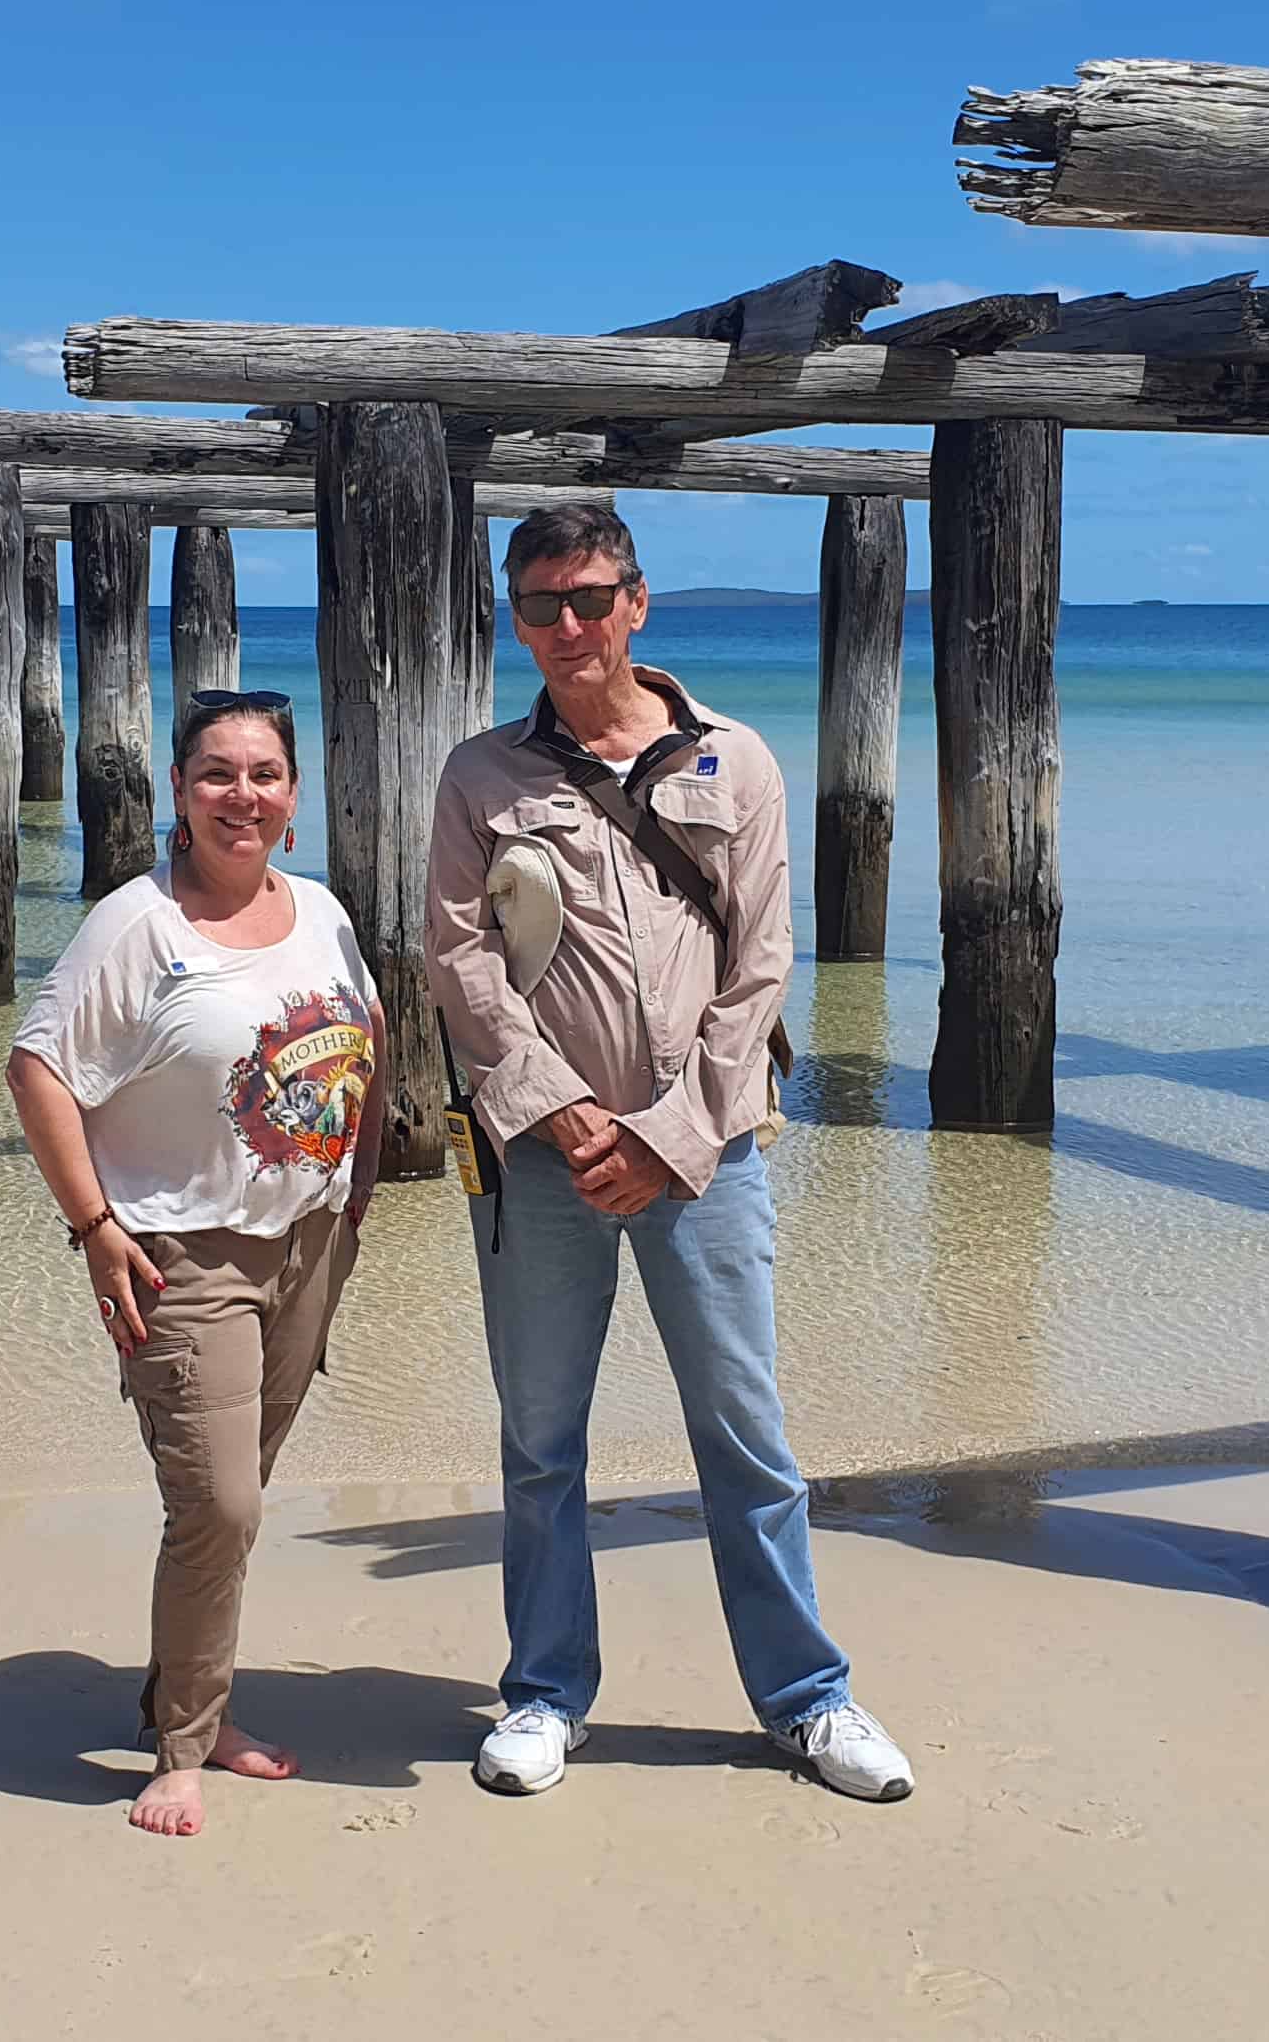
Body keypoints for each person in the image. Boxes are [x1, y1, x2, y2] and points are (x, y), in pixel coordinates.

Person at [424, 502, 913, 1804]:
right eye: (542, 606)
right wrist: (562, 1111)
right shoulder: (479, 775)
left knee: (746, 1436)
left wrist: (670, 1135)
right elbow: (461, 963)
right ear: (517, 619)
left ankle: (808, 1701)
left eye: (591, 599)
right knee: (541, 1441)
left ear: (637, 603)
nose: (569, 626)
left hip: (706, 1158)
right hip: (542, 1160)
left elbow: (761, 967)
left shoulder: (734, 760)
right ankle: (545, 1695)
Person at [7, 689, 384, 1838]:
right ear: (179, 788)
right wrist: (94, 1228)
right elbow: (37, 1068)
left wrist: (355, 1203)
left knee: (231, 1503)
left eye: (264, 774)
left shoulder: (321, 911)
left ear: (293, 793)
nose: (242, 796)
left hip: (307, 1246)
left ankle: (186, 1697)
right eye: (218, 773)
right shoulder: (139, 925)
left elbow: (369, 1041)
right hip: (181, 1257)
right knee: (218, 1504)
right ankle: (183, 1745)